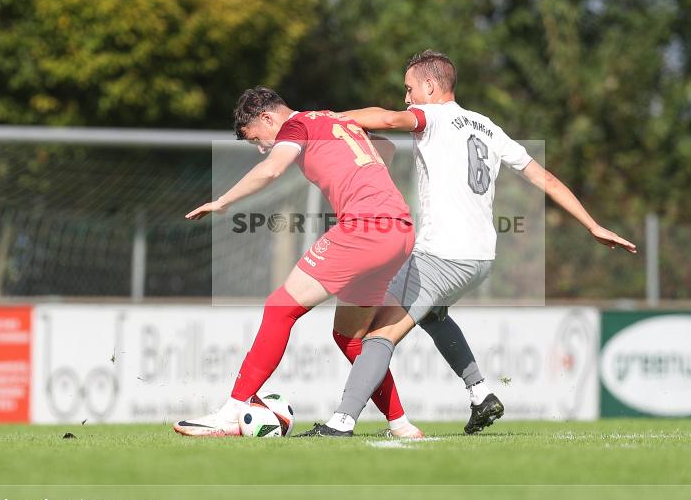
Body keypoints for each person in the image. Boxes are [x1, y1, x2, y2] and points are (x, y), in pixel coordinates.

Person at [299, 50, 636, 437]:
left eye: (409, 89)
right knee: (431, 315)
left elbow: (391, 119)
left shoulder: (433, 118)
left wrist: (324, 120)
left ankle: (341, 422)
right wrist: (592, 224)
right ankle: (481, 394)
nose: (406, 98)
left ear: (429, 86)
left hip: (441, 254)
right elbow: (546, 179)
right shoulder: (488, 127)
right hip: (479, 258)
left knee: (378, 335)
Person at [174, 86, 424, 438]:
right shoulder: (334, 121)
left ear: (267, 117)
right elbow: (385, 147)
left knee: (280, 307)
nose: (261, 147)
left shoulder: (296, 125)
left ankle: (232, 412)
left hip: (364, 229)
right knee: (350, 337)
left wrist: (223, 202)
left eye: (257, 139)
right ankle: (401, 424)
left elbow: (272, 170)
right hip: (399, 230)